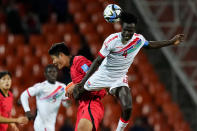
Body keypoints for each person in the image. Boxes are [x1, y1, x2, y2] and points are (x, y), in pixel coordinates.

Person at [73, 11, 185, 131]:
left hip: (119, 78)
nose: (127, 33)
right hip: (102, 75)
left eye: (130, 31)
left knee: (127, 107)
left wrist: (171, 42)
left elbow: (150, 45)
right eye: (125, 30)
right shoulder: (112, 40)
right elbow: (97, 61)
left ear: (134, 30)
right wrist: (83, 83)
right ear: (122, 28)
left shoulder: (138, 40)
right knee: (77, 94)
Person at [48, 43, 106, 131]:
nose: (53, 62)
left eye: (53, 58)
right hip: (82, 106)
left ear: (61, 55)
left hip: (92, 104)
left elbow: (95, 79)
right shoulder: (72, 70)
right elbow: (82, 85)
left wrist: (76, 86)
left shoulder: (79, 61)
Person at [20, 64, 71, 131]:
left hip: (51, 124)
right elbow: (24, 95)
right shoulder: (41, 87)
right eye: (50, 72)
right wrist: (27, 111)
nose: (52, 74)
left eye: (54, 71)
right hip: (41, 124)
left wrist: (68, 102)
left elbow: (66, 104)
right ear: (45, 74)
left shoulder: (62, 87)